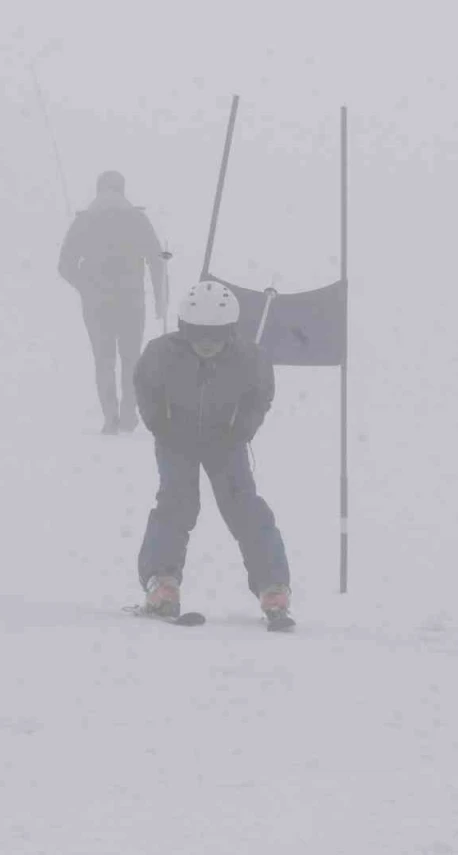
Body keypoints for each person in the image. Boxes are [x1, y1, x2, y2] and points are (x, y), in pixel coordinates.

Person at [132, 280, 293, 627]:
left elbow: (260, 395)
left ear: (230, 333)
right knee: (177, 502)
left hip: (226, 441)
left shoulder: (249, 358)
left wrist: (242, 430)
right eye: (199, 334)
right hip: (177, 438)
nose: (207, 345)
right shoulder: (161, 353)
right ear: (184, 329)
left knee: (244, 506)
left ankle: (273, 585)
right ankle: (162, 581)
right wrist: (160, 424)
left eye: (216, 336)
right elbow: (144, 387)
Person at [57, 170, 167, 433]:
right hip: (132, 302)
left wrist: (86, 286)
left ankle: (110, 418)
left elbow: (64, 266)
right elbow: (156, 261)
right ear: (123, 190)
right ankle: (129, 415)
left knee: (103, 360)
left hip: (97, 305)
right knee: (131, 359)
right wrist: (159, 301)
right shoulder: (138, 219)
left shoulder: (84, 221)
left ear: (98, 189)